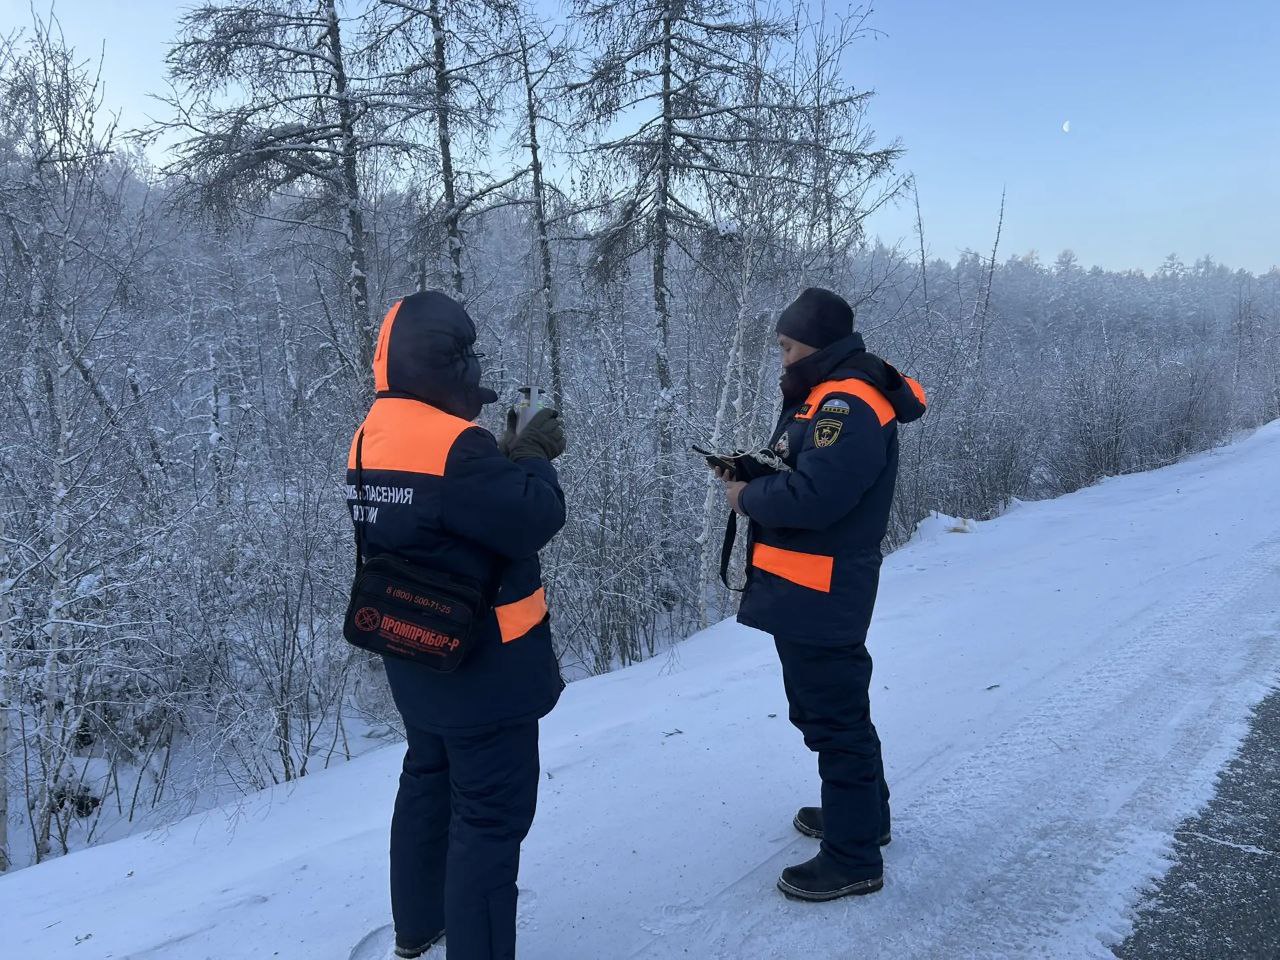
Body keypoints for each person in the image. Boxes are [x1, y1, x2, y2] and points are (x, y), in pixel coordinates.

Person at [346, 290, 567, 959]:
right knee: (490, 822)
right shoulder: (457, 446)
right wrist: (530, 455)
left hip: (413, 654)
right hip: (484, 667)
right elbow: (533, 518)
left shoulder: (370, 434)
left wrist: (499, 459)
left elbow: (439, 523)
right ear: (447, 361)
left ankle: (418, 929)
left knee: (427, 782)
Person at [715, 287, 926, 902]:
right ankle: (865, 818)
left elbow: (821, 497)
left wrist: (745, 498)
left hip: (822, 588)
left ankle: (854, 857)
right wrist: (753, 471)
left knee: (834, 718)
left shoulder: (847, 402)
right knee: (827, 712)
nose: (781, 358)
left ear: (815, 343)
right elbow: (805, 473)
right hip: (804, 587)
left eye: (786, 346)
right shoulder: (821, 398)